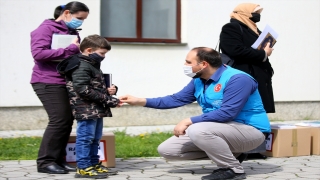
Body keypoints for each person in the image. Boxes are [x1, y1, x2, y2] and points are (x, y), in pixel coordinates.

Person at [119, 47, 271, 180]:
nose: (184, 65)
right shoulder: (200, 79)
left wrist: (189, 120)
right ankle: (234, 155)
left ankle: (233, 169)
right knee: (168, 150)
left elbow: (227, 113)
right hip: (222, 129)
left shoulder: (238, 79)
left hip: (251, 131)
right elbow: (176, 99)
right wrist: (140, 100)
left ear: (203, 64)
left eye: (188, 62)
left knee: (197, 129)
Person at [30, 1, 89, 174]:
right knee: (59, 120)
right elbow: (39, 54)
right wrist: (70, 49)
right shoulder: (45, 29)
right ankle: (45, 162)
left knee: (67, 120)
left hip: (64, 81)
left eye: (83, 20)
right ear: (67, 13)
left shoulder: (72, 32)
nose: (81, 22)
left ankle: (58, 159)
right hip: (47, 81)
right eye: (79, 18)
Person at [57, 34, 120, 179]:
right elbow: (82, 89)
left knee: (95, 138)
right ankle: (83, 167)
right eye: (102, 53)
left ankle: (93, 163)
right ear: (89, 50)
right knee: (85, 138)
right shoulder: (80, 65)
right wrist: (109, 100)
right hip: (85, 109)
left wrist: (111, 90)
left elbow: (94, 86)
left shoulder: (91, 64)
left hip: (95, 108)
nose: (104, 57)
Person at [219, 3, 275, 113]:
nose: (257, 16)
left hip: (259, 74)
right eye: (255, 13)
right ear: (244, 13)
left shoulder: (253, 29)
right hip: (244, 74)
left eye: (258, 13)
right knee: (246, 108)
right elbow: (234, 50)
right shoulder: (231, 28)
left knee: (259, 109)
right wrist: (263, 54)